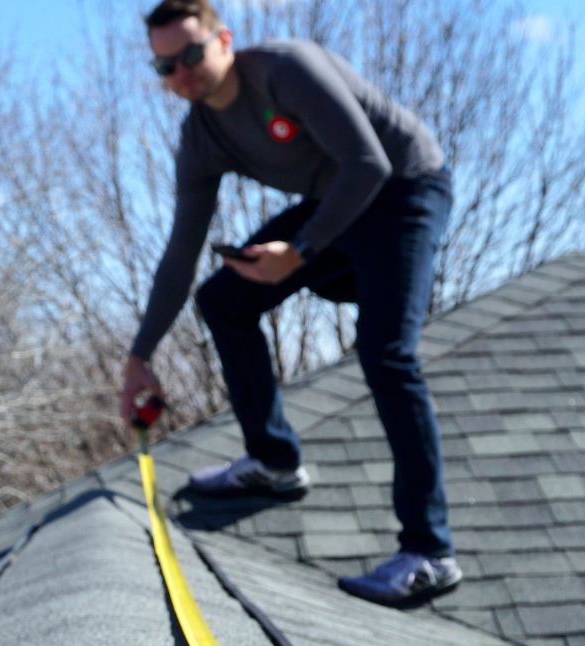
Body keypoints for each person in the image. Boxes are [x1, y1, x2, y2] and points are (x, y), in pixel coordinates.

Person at [119, 0, 460, 607]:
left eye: (191, 55)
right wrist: (139, 356)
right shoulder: (201, 136)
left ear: (224, 40)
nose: (182, 75)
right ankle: (274, 462)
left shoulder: (285, 69)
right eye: (164, 68)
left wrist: (300, 251)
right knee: (222, 299)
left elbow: (368, 162)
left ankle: (429, 553)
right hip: (334, 205)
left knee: (387, 354)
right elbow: (180, 252)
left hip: (404, 189)